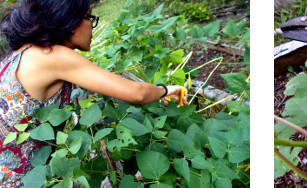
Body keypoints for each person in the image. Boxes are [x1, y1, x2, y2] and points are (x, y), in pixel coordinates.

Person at [0, 0, 184, 185]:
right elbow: (138, 93)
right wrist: (165, 89)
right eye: (90, 17)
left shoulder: (22, 54)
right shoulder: (49, 55)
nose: (92, 26)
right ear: (70, 20)